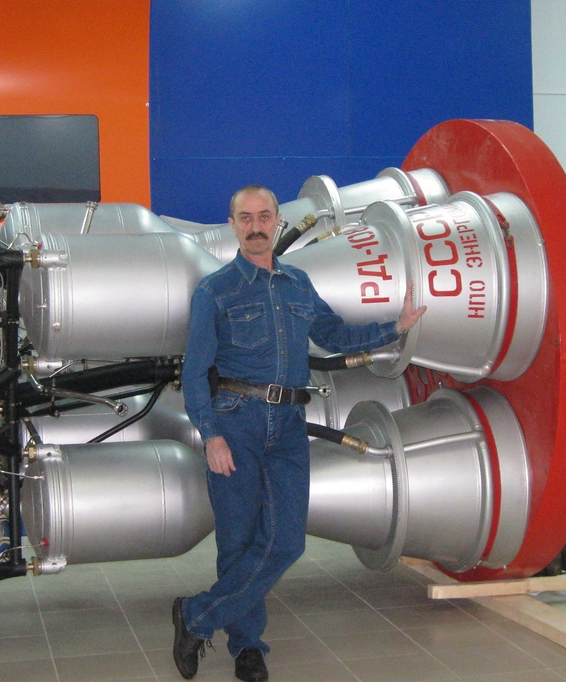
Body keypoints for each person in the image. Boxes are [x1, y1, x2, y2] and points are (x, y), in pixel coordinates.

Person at [172, 185, 426, 682]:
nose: (256, 226)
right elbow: (194, 371)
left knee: (287, 541)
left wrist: (395, 327)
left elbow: (334, 335)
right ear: (233, 225)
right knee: (238, 542)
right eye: (246, 218)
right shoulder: (215, 291)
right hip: (237, 421)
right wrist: (212, 435)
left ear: (276, 222)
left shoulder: (298, 284)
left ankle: (197, 615)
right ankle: (248, 648)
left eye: (264, 216)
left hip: (288, 425)